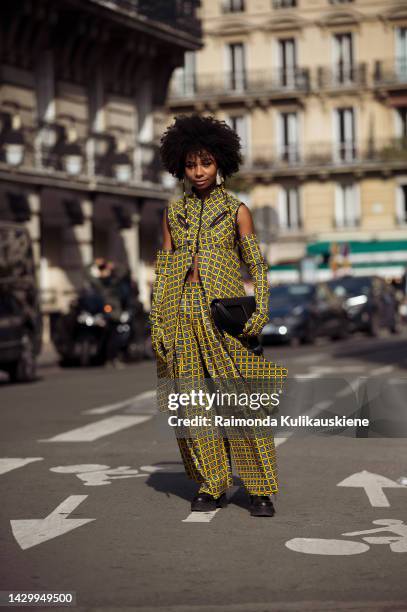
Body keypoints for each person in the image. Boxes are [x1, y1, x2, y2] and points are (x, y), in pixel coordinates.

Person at [149, 115, 288, 517]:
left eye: (206, 163)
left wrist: (259, 311)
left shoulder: (236, 210)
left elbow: (256, 267)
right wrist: (159, 323)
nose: (198, 171)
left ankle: (259, 489)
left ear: (220, 163)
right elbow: (164, 270)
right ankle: (212, 484)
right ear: (180, 166)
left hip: (225, 320)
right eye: (191, 164)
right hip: (181, 317)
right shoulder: (174, 213)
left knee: (242, 403)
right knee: (193, 408)